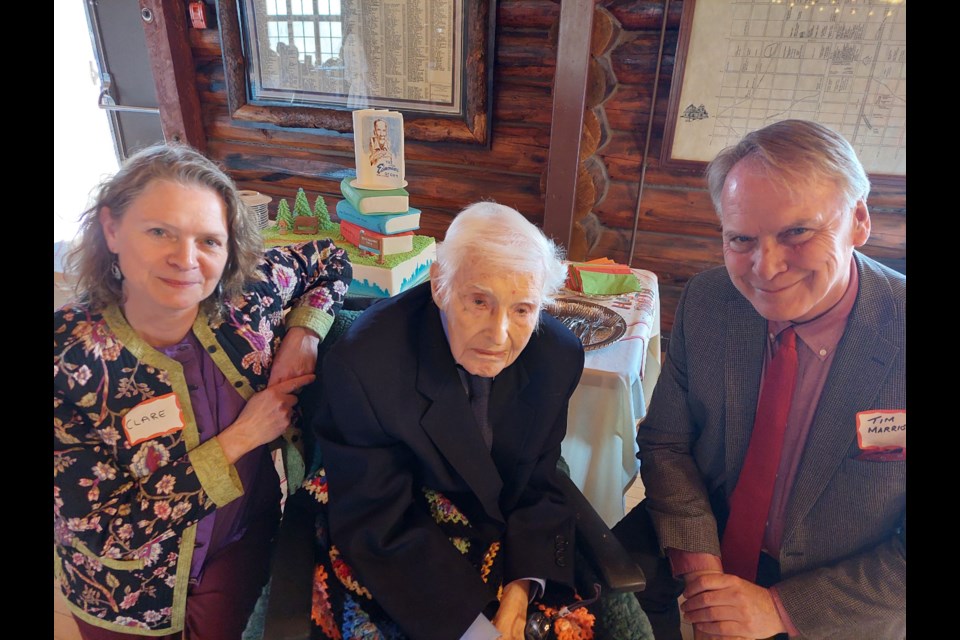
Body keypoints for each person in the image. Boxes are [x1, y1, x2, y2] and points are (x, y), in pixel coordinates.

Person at [612, 119, 905, 639]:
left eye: (797, 232)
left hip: (840, 590)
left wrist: (780, 609)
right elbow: (665, 444)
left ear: (859, 220)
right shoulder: (709, 301)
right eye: (741, 239)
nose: (765, 268)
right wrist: (705, 578)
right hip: (704, 532)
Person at [53, 144, 352, 639]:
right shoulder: (68, 359)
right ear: (111, 230)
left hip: (239, 548)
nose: (185, 260)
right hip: (127, 591)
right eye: (159, 232)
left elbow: (327, 258)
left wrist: (304, 334)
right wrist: (243, 437)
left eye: (209, 241)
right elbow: (104, 530)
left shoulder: (247, 300)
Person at [304, 201, 639, 640]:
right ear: (440, 285)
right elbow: (375, 517)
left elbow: (538, 478)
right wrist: (475, 631)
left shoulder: (556, 355)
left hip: (496, 531)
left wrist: (521, 591)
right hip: (406, 543)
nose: (499, 336)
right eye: (480, 302)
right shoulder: (365, 364)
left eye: (522, 309)